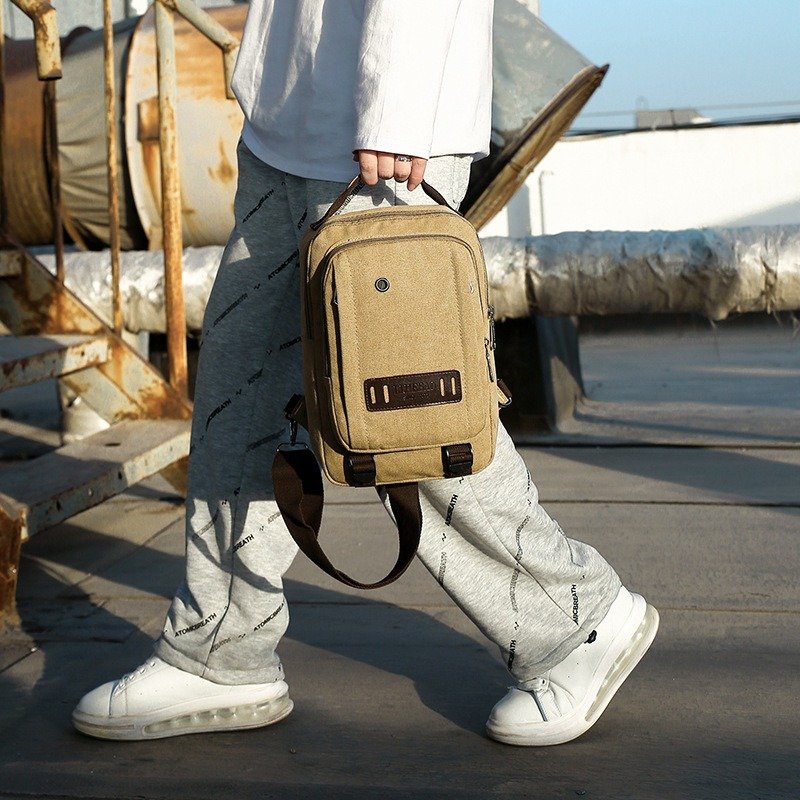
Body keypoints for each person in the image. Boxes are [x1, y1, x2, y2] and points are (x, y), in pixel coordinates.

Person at [72, 0, 658, 746]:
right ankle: (220, 648)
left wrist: (397, 103)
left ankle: (572, 621)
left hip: (382, 132)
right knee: (242, 389)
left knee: (407, 414)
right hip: (291, 120)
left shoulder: (392, 112)